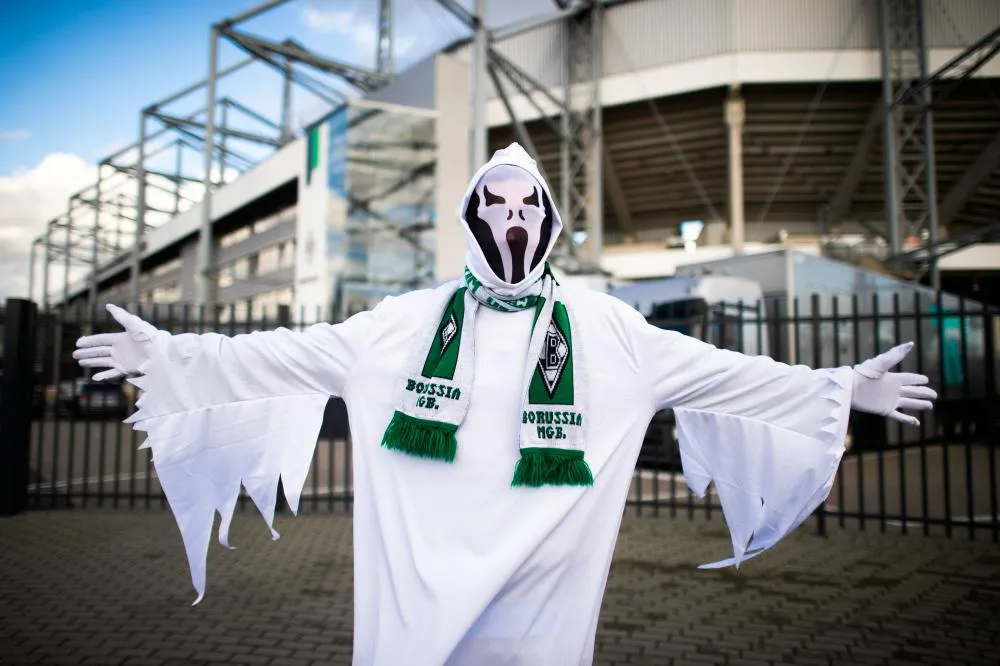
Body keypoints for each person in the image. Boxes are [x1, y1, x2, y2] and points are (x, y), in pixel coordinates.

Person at [74, 143, 936, 666]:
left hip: (543, 620)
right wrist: (174, 356)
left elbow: (727, 373)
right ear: (473, 214)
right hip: (415, 614)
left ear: (550, 218)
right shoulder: (402, 325)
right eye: (499, 202)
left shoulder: (608, 330)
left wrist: (840, 386)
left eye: (530, 204)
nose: (514, 217)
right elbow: (280, 354)